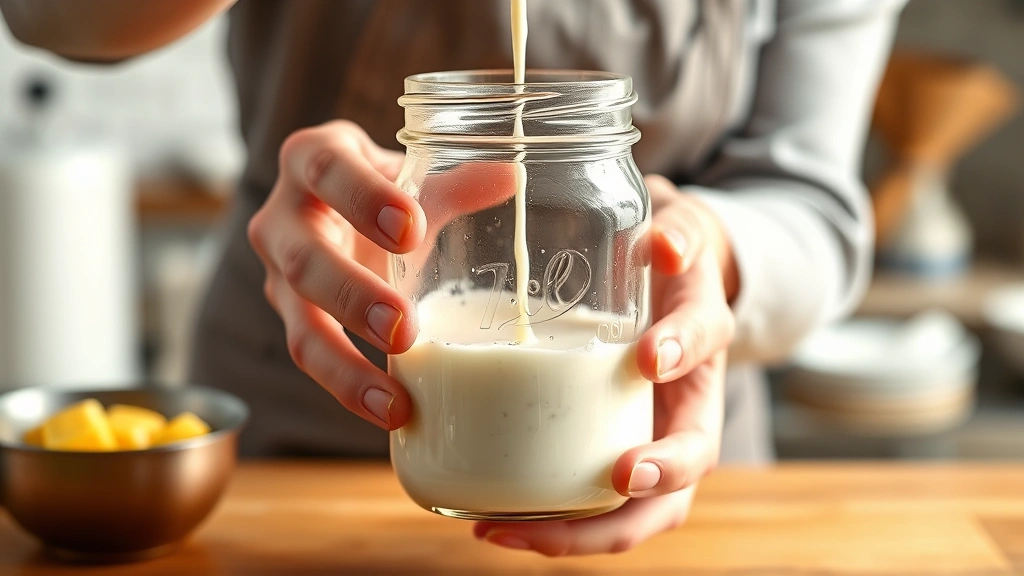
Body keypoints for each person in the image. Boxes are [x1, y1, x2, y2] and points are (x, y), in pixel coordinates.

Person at [1, 0, 905, 556]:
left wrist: (705, 242)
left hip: (679, 466)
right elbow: (59, 16)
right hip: (294, 444)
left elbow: (815, 204)